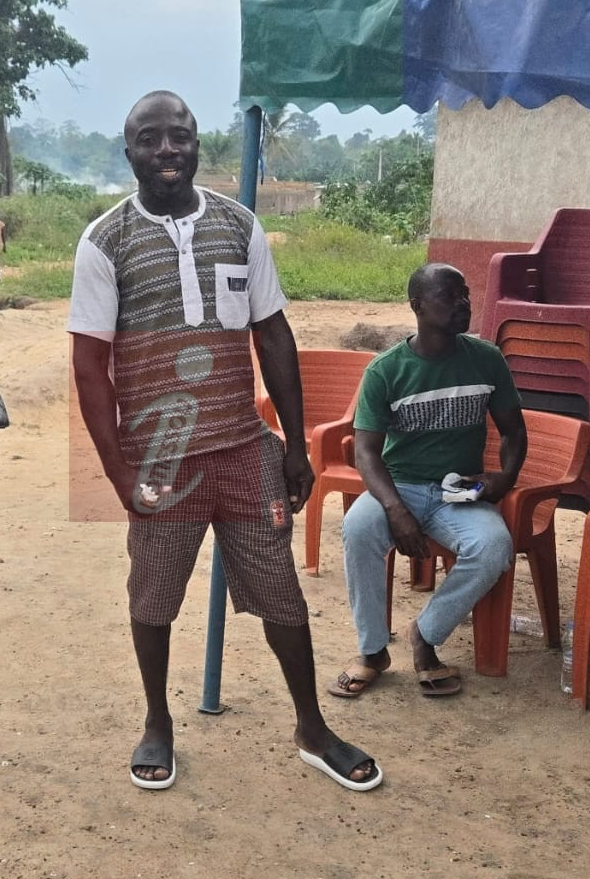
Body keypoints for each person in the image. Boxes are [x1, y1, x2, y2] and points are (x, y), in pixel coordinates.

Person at [68, 90, 381, 792]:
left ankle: (311, 726)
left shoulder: (240, 227)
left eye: (178, 137)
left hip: (244, 450)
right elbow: (90, 367)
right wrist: (119, 474)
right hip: (161, 462)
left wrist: (295, 444)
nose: (167, 151)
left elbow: (272, 333)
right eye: (149, 140)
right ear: (130, 154)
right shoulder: (104, 242)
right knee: (153, 598)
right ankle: (158, 722)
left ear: (197, 143)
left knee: (281, 594)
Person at [331, 264, 526, 700]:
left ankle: (426, 634)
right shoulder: (386, 370)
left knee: (494, 546)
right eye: (449, 296)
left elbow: (514, 431)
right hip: (399, 486)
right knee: (359, 530)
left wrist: (504, 477)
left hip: (458, 494)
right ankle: (373, 650)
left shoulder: (486, 359)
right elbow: (365, 452)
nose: (463, 304)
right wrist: (395, 509)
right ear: (417, 306)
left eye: (466, 295)